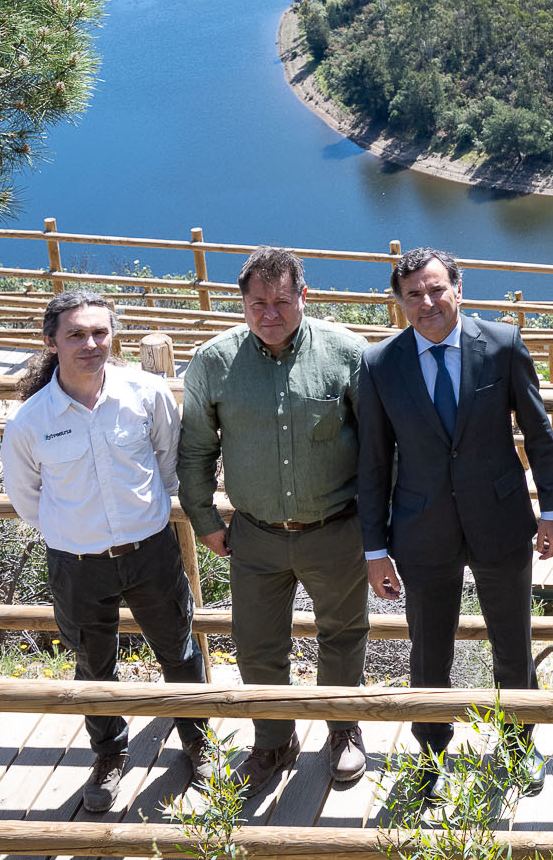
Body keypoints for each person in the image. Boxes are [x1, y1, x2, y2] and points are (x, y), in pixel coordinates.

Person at [355, 247, 553, 792]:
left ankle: (520, 746)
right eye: (413, 295)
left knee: (513, 644)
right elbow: (374, 461)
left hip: (500, 522)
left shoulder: (501, 345)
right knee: (428, 651)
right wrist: (374, 548)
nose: (427, 303)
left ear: (458, 288)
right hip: (421, 529)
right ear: (399, 303)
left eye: (436, 290)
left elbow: (539, 433)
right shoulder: (381, 364)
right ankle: (430, 755)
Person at [0, 290, 209, 813]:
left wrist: (142, 513)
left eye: (99, 332)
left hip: (151, 551)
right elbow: (27, 498)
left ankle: (196, 741)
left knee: (179, 651)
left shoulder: (146, 392)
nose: (90, 344)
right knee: (94, 667)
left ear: (112, 336)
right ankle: (110, 753)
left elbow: (167, 461)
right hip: (77, 564)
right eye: (75, 334)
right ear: (51, 341)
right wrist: (78, 530)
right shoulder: (30, 421)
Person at [179, 246, 371, 793]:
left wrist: (377, 528)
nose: (270, 313)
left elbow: (383, 449)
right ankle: (273, 738)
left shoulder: (347, 353)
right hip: (255, 535)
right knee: (258, 643)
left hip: (337, 528)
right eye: (258, 302)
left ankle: (343, 731)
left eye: (282, 301)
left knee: (343, 633)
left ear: (303, 296)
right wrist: (203, 517)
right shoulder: (213, 362)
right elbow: (195, 450)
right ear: (241, 302)